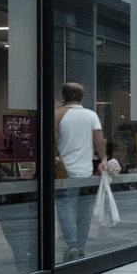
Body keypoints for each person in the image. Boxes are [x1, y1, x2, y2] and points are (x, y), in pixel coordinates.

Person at [55, 81, 107, 261]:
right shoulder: (91, 115)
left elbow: (52, 141)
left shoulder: (58, 114)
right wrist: (104, 160)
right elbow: (99, 140)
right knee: (84, 210)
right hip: (85, 171)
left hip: (64, 171)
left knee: (65, 207)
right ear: (81, 97)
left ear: (63, 96)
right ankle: (81, 245)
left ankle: (72, 244)